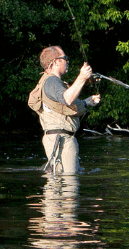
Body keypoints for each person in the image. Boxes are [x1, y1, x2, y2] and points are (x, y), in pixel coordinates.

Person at [33, 46, 100, 175]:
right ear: (56, 61)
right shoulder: (52, 81)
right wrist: (82, 77)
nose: (67, 61)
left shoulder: (50, 82)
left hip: (58, 138)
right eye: (65, 58)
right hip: (61, 139)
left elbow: (63, 106)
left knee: (59, 183)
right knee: (69, 184)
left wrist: (86, 102)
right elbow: (67, 99)